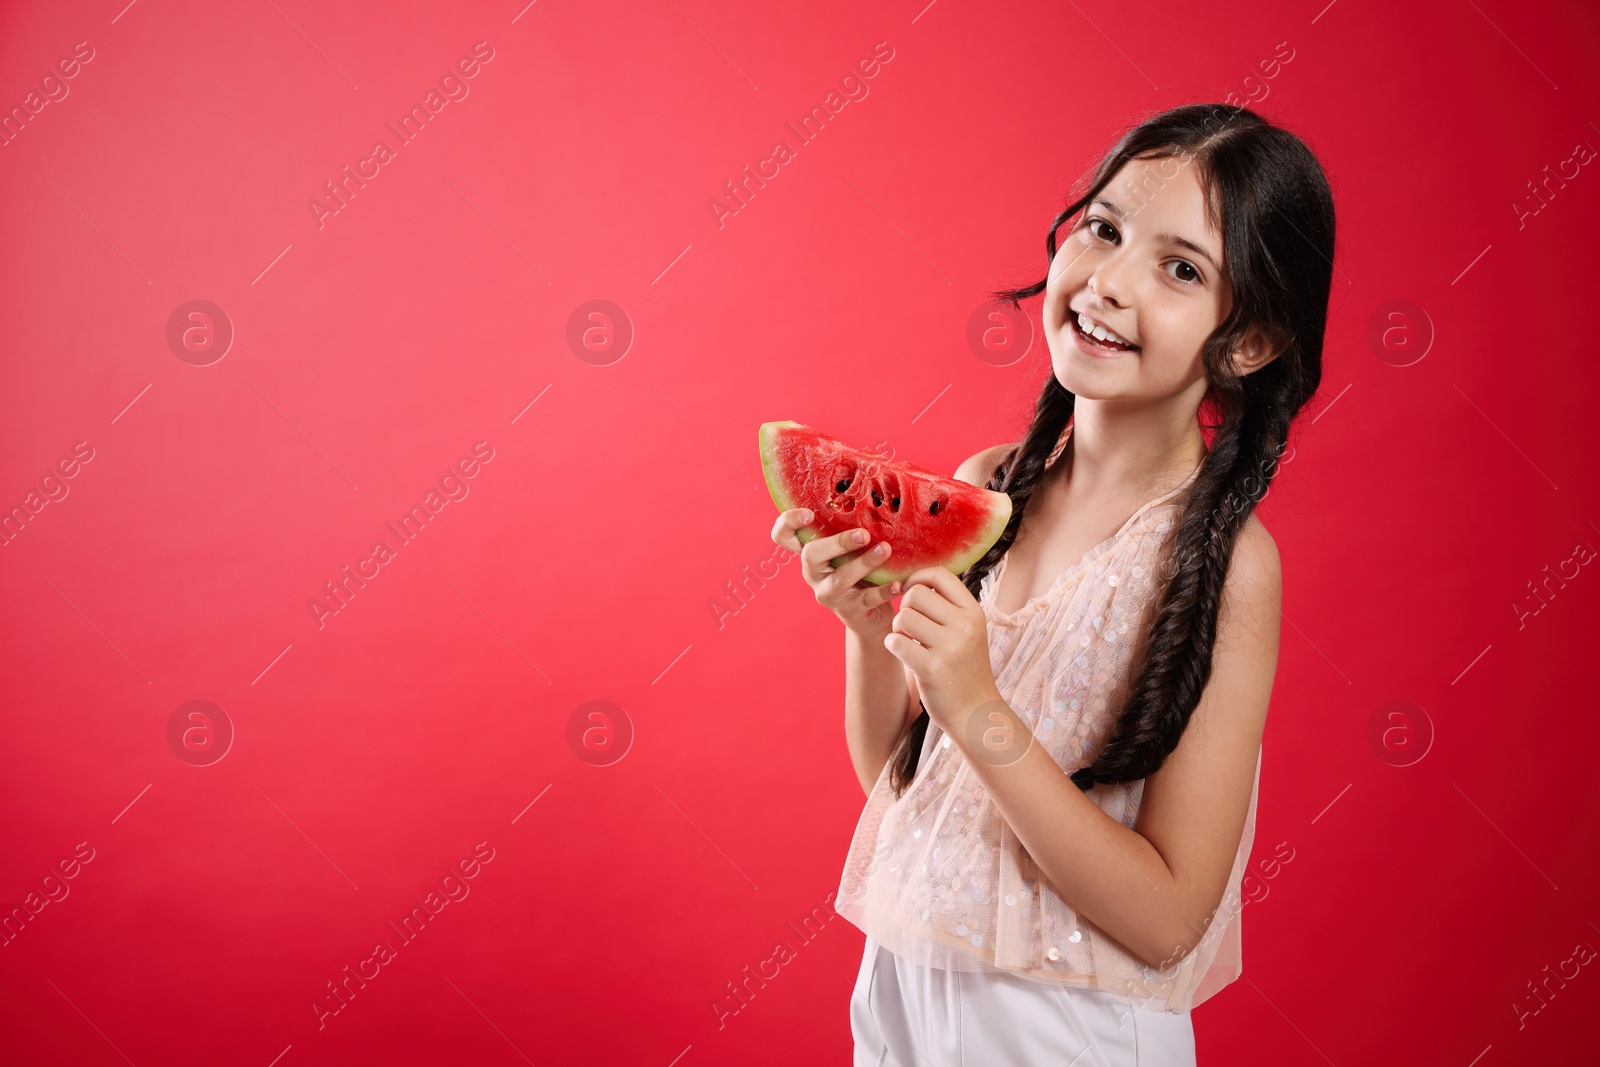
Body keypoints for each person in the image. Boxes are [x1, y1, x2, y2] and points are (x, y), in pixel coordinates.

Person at [769, 102, 1336, 1065]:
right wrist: (870, 632)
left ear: (1249, 342)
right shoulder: (991, 484)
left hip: (1071, 1035)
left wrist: (980, 703)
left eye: (1181, 268)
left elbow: (1166, 920)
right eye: (1105, 228)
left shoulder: (1227, 565)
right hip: (903, 1008)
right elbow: (909, 799)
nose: (1108, 282)